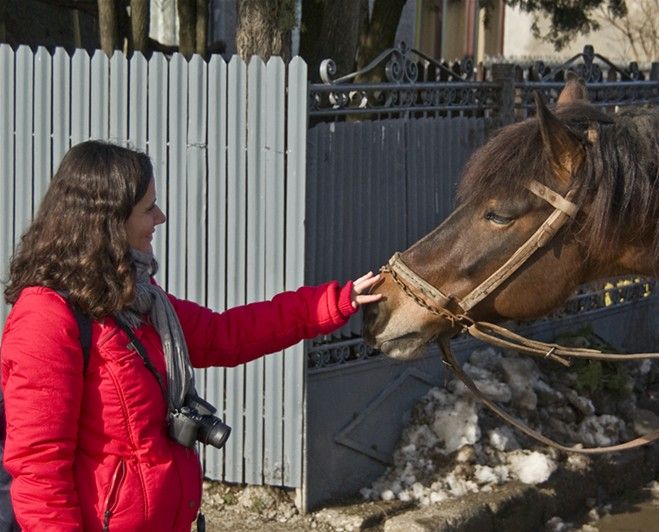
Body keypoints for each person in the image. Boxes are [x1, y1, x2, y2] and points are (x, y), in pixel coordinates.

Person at [0, 140, 382, 531]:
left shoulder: (138, 300)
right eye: (149, 208)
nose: (161, 217)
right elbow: (38, 469)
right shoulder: (47, 319)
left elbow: (226, 334)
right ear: (109, 220)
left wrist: (333, 302)